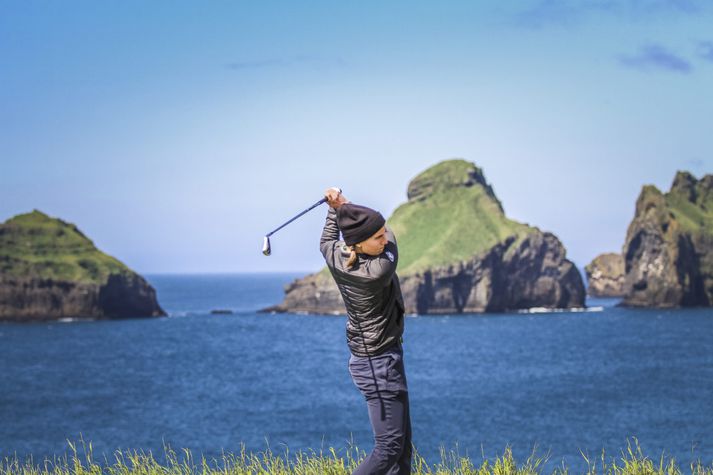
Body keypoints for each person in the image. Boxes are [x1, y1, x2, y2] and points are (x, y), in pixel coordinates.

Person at [320, 187, 412, 475]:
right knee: (389, 448)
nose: (385, 239)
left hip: (376, 358)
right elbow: (394, 244)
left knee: (402, 448)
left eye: (383, 232)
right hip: (379, 363)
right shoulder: (379, 270)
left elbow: (326, 239)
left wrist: (335, 209)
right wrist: (343, 204)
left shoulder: (336, 255)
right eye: (378, 237)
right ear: (359, 244)